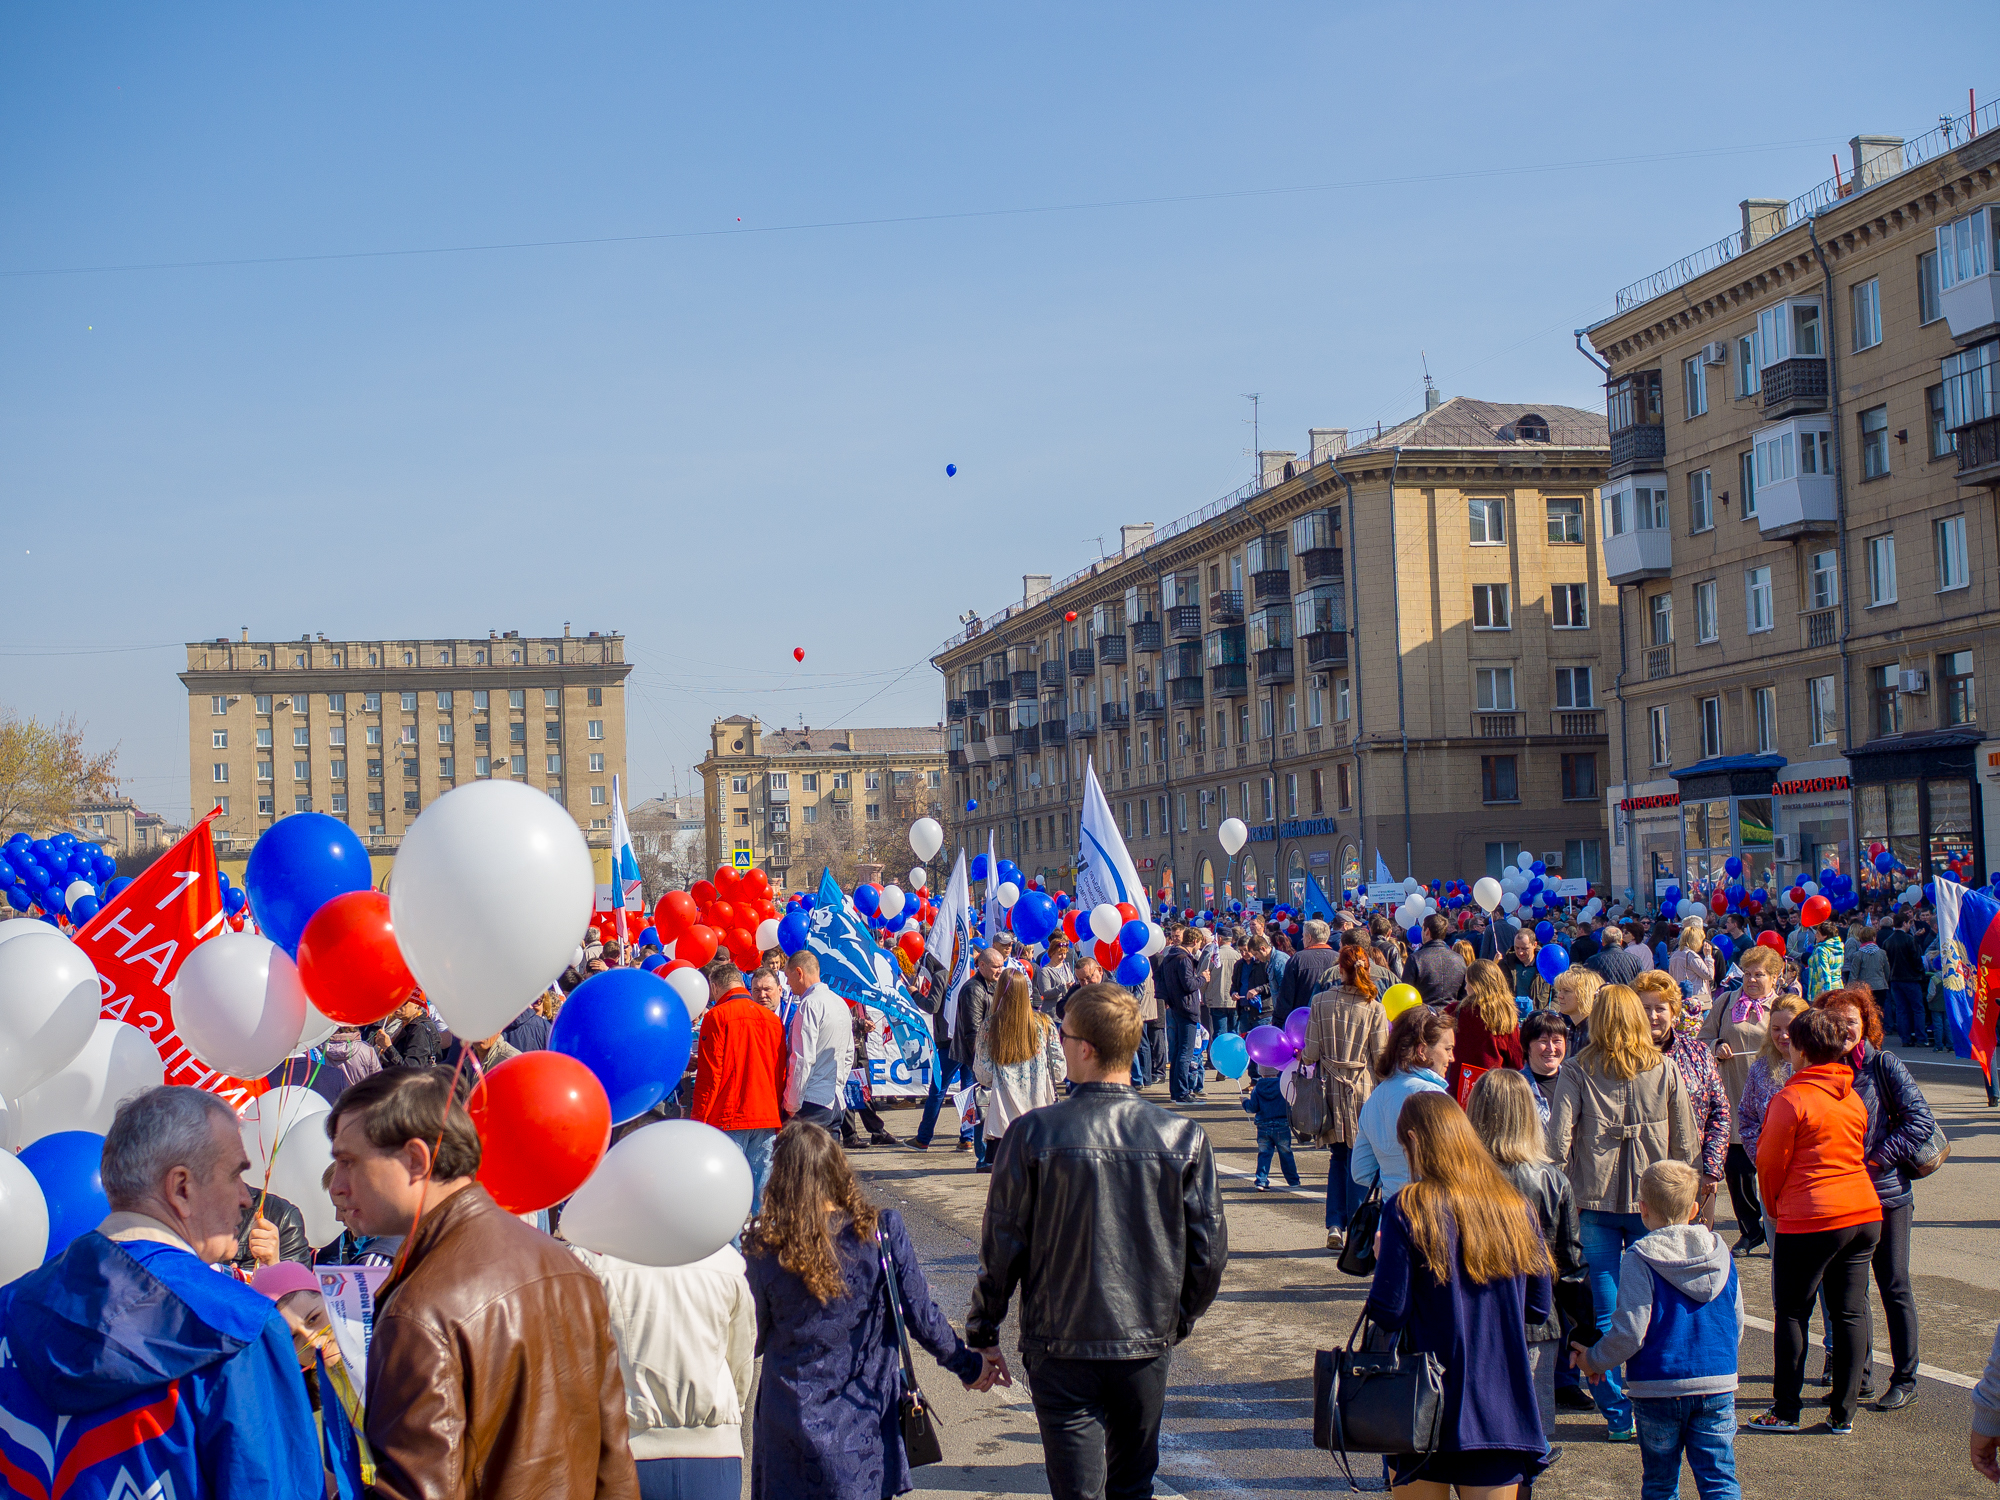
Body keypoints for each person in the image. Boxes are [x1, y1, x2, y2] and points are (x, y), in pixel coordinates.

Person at [326, 1067, 638, 1498]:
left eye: (348, 1162)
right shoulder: (566, 1268)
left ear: (416, 1160)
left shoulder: (421, 1311)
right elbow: (615, 1466)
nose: (336, 1187)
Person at [968, 984, 1226, 1500]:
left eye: (1062, 1037)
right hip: (1139, 1338)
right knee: (1132, 1486)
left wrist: (983, 1328)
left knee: (1079, 1490)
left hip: (1062, 1340)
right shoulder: (1181, 1135)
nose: (1059, 1045)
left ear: (1085, 1047)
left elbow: (1002, 1245)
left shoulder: (1032, 1133)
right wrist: (1175, 1318)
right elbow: (1209, 1255)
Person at [0, 1086, 322, 1500]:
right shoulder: (239, 1330)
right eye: (236, 1175)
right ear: (181, 1188)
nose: (246, 1197)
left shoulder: (12, 1306)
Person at [746, 1123, 994, 1500]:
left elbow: (754, 1339)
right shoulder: (881, 1232)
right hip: (862, 1417)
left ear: (781, 1181)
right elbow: (921, 1317)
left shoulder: (766, 1247)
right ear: (838, 1170)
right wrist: (969, 1366)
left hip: (789, 1420)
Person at [1364, 1090, 1553, 1493]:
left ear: (1414, 1140)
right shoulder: (1516, 1207)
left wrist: (1386, 1260)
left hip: (1422, 1403)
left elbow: (1388, 1311)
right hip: (1502, 1401)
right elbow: (1538, 1308)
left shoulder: (1407, 1207)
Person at [1545, 984, 1697, 1441]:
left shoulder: (1576, 1069)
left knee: (1605, 1311)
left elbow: (1556, 1144)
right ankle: (1660, 1397)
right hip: (1657, 1201)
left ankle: (1616, 1413)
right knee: (1665, 1303)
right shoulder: (1665, 1067)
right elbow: (1686, 1143)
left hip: (1593, 1199)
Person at [1570, 1162, 1743, 1500]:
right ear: (1694, 1209)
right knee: (1719, 1479)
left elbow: (1630, 1331)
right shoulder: (1721, 1255)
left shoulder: (1640, 1258)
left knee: (1661, 1484)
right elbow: (1734, 1323)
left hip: (1657, 1385)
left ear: (1642, 1209)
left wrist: (1594, 1360)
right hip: (1717, 1383)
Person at [1749, 1007, 1883, 1434]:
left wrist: (1773, 1207)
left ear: (1802, 1050)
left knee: (1791, 1311)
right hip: (1862, 1210)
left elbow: (1769, 1164)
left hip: (1812, 1214)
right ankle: (1843, 1413)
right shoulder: (1852, 1095)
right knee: (1849, 1312)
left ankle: (1785, 1410)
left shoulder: (1792, 1097)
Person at [1818, 986, 1935, 1413]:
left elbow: (1920, 1120)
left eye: (1852, 1020)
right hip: (1841, 1198)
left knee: (1894, 1285)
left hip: (1885, 1195)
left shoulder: (1884, 1064)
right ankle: (1859, 1379)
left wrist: (1878, 1159)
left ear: (1866, 1023)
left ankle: (1905, 1378)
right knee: (1850, 1293)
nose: (1845, 1029)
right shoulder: (1822, 1067)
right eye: (1836, 1021)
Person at [1466, 1068, 1593, 1450]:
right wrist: (1585, 1333)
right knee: (1530, 1441)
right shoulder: (1552, 1179)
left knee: (1475, 1436)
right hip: (1536, 1319)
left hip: (1469, 1320)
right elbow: (1570, 1267)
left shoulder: (1457, 1176)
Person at [569, 1240, 755, 1500]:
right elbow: (741, 1359)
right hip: (714, 1452)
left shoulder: (592, 1258)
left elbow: (578, 1363)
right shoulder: (725, 1259)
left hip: (627, 1448)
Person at [1301, 944, 1389, 1252]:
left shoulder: (1320, 1002)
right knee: (1359, 1160)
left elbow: (1310, 1054)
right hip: (1362, 1089)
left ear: (1340, 970)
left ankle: (1335, 1224)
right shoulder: (1374, 1008)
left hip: (1329, 1091)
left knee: (1337, 1158)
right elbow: (1380, 1059)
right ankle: (1355, 1226)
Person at [1701, 945, 1783, 1256]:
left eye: (1758, 975)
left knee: (1773, 1170)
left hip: (1773, 1100)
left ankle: (1779, 1230)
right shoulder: (1726, 1002)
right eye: (1746, 974)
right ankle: (1750, 1230)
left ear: (1774, 978)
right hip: (1733, 1095)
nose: (1751, 980)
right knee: (1738, 1172)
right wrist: (1717, 1044)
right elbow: (1703, 1038)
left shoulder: (1783, 1006)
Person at [1633, 971, 1731, 1226]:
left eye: (1659, 1008)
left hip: (1690, 1175)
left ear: (1674, 1012)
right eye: (1644, 1008)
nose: (1652, 1016)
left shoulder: (1697, 1052)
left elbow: (1719, 1111)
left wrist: (1711, 1167)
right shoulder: (1623, 1057)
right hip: (1638, 1179)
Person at [691, 962, 786, 1209]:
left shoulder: (716, 1017)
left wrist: (697, 1121)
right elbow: (780, 1074)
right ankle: (763, 1245)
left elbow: (710, 1076)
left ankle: (733, 1248)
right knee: (762, 1196)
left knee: (728, 1196)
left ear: (714, 987)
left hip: (728, 1115)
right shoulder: (772, 1020)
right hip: (765, 1116)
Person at [1351, 1004, 1454, 1200]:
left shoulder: (1375, 1097)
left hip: (1390, 1218)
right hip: (1430, 1214)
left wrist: (1394, 1179)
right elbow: (1454, 1167)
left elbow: (1361, 1171)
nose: (1452, 1057)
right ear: (1422, 1050)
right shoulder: (1433, 1095)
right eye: (1447, 1049)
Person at [974, 969, 1066, 1161]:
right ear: (1027, 992)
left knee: (1005, 1183)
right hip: (1040, 1112)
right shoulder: (1045, 1023)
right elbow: (1059, 1070)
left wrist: (1001, 1075)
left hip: (1004, 1117)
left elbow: (982, 1073)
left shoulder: (990, 1026)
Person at [921, 946, 998, 1161]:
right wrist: (981, 1060)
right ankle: (925, 1137)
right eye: (996, 966)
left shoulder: (993, 985)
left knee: (974, 1098)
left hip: (974, 1052)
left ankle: (967, 1140)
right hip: (961, 1049)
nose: (1000, 970)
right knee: (944, 1089)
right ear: (981, 965)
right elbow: (972, 1029)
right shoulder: (967, 985)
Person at [783, 950, 854, 1146]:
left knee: (806, 1169)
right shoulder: (840, 1003)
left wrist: (791, 1104)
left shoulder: (809, 1005)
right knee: (829, 1168)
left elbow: (802, 1058)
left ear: (799, 972)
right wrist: (839, 1084)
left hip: (812, 1101)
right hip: (835, 1100)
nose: (787, 984)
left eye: (788, 977)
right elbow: (849, 1054)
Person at [1448, 958, 1524, 1103]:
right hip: (1493, 1091)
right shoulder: (1506, 1017)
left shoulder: (1454, 1011)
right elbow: (1516, 1062)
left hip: (1457, 1090)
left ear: (1475, 985)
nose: (1465, 988)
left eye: (1467, 982)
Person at [1156, 925, 1205, 1101]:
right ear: (1195, 941)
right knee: (1185, 1051)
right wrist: (1203, 977)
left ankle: (1177, 1091)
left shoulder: (1170, 957)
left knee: (1177, 1051)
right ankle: (1182, 1092)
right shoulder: (1183, 958)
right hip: (1186, 1008)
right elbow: (1189, 984)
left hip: (1176, 1007)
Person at [1275, 917, 1341, 1026]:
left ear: (1309, 938)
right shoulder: (1339, 958)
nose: (1302, 940)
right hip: (1332, 1021)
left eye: (1303, 937)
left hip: (1302, 1023)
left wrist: (1279, 1022)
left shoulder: (1297, 959)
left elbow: (1286, 996)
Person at [1241, 1069, 1300, 1189]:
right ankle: (1293, 1180)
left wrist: (1245, 1102)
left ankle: (1261, 1180)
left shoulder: (1258, 1088)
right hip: (1282, 1124)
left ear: (1261, 1072)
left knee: (1264, 1154)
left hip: (1263, 1125)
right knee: (1286, 1153)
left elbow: (1252, 1108)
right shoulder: (1283, 1084)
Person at [1879, 911, 1929, 1049]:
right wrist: (1920, 972)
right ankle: (1921, 1038)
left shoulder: (1887, 941)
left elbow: (1885, 962)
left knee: (1901, 1010)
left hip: (1895, 978)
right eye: (1908, 923)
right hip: (1911, 978)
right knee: (1918, 1008)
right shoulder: (1909, 939)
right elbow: (1916, 959)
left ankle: (1905, 1038)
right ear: (1905, 923)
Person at [1519, 1009, 1568, 1124]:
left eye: (1557, 1041)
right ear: (1527, 1046)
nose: (1551, 1048)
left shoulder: (1576, 1084)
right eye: (1543, 1041)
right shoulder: (1516, 1088)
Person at [1410, 913, 1468, 1008]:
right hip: (1451, 1016)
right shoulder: (1459, 959)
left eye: (1422, 929)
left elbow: (1408, 992)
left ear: (1427, 931)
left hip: (1423, 1016)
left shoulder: (1415, 959)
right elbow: (1464, 994)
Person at [1841, 927, 1892, 1026]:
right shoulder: (1882, 953)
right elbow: (1887, 970)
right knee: (1880, 1009)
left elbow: (1854, 974)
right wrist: (1884, 980)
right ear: (1874, 937)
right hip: (1880, 985)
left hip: (1864, 987)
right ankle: (1880, 1028)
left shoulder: (1858, 954)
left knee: (1866, 1010)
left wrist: (1851, 989)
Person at [1670, 920, 1716, 1020]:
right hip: (1697, 1000)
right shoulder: (1691, 956)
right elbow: (1709, 975)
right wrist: (1708, 957)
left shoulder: (1674, 955)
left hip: (1681, 998)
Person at [1501, 928, 1552, 1017]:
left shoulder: (1546, 965)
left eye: (1524, 948)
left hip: (1539, 1020)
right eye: (1517, 948)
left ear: (1534, 945)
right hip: (1512, 1019)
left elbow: (1557, 995)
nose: (1520, 952)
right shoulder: (1506, 964)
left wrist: (1546, 1014)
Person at [1205, 926, 1241, 1048]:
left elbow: (1205, 976)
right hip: (1234, 999)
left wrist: (1202, 994)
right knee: (1234, 1033)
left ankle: (1219, 1059)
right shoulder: (1238, 955)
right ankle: (1233, 1057)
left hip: (1217, 999)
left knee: (1219, 1033)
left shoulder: (1214, 955)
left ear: (1219, 939)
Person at [1552, 966, 1602, 1052]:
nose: (1559, 996)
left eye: (1566, 991)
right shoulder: (1575, 1028)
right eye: (1559, 990)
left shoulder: (1595, 1033)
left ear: (1584, 994)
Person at [1588, 923, 1646, 989]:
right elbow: (1641, 984)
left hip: (1604, 997)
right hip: (1628, 997)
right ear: (1621, 941)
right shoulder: (1635, 960)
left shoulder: (1592, 961)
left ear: (1603, 942)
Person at [1034, 934, 1075, 1013]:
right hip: (1052, 1013)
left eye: (1065, 953)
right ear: (1052, 953)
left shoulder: (1066, 967)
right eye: (1060, 954)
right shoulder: (1045, 971)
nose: (1063, 957)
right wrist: (1062, 987)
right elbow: (1045, 993)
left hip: (1067, 1011)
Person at [1805, 921, 1845, 1001]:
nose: (1815, 935)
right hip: (1838, 988)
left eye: (1818, 934)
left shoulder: (1821, 950)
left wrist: (1825, 999)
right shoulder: (1839, 947)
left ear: (1825, 936)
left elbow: (1824, 976)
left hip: (1822, 993)